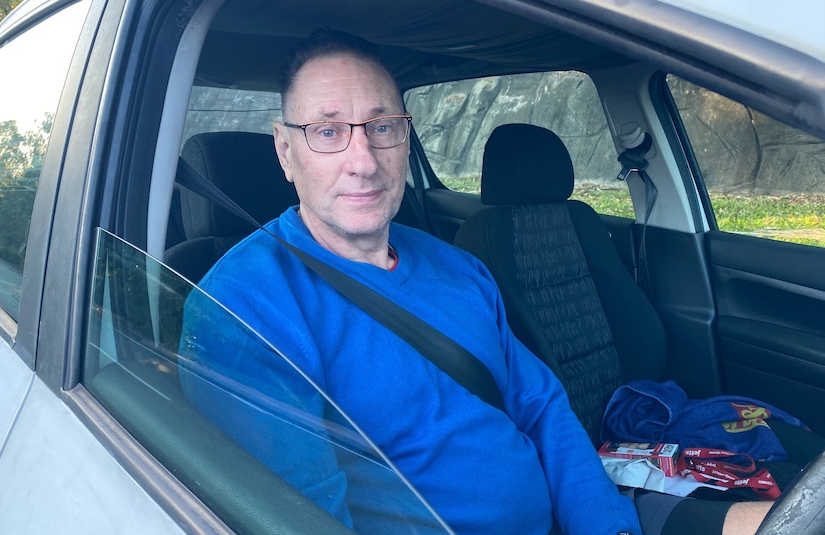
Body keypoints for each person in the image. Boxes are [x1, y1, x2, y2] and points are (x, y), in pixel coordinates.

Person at [181, 29, 772, 535]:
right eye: (328, 132)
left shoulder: (457, 266)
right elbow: (309, 517)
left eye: (382, 126)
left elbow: (540, 406)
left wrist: (607, 525)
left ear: (405, 137)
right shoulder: (242, 310)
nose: (363, 160)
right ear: (285, 152)